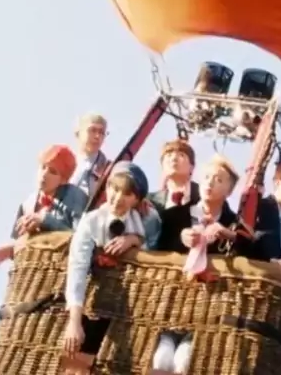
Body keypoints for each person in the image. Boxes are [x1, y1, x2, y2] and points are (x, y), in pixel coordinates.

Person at [152, 155, 240, 374]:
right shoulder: (174, 216)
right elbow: (156, 246)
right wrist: (180, 239)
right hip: (169, 300)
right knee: (160, 359)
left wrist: (230, 236)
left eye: (219, 180)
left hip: (207, 306)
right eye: (207, 177)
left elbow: (253, 254)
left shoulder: (233, 226)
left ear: (229, 191)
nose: (210, 183)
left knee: (185, 361)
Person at [63, 161, 151, 357]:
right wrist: (74, 322)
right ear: (107, 188)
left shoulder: (143, 220)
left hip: (128, 306)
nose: (118, 198)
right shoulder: (91, 221)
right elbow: (78, 266)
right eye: (115, 189)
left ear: (136, 200)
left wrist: (133, 239)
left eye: (127, 193)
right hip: (93, 302)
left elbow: (151, 251)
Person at [0, 144, 88, 266]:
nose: (44, 174)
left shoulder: (75, 195)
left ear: (63, 180)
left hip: (63, 267)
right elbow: (20, 242)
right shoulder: (27, 204)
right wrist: (12, 249)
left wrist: (45, 220)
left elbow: (81, 237)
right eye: (43, 167)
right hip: (35, 270)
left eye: (53, 172)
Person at [148, 139, 199, 211]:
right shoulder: (150, 202)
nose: (174, 158)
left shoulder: (205, 195)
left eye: (181, 155)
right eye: (169, 155)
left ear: (191, 167)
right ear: (162, 166)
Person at [69, 112, 109, 198]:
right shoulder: (65, 162)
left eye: (101, 132)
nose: (97, 136)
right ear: (78, 133)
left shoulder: (108, 170)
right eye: (93, 130)